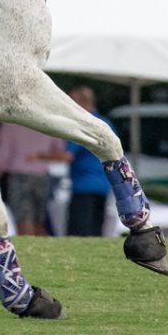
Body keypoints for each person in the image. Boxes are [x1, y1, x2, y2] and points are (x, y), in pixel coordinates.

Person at [0, 121, 65, 236]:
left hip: (19, 178)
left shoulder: (9, 124)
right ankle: (43, 250)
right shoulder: (47, 122)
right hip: (42, 177)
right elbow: (60, 152)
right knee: (39, 221)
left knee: (23, 220)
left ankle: (28, 249)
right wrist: (40, 156)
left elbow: (3, 156)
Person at [65, 86, 116, 236]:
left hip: (83, 185)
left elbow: (68, 154)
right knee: (96, 230)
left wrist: (40, 156)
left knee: (80, 230)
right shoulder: (105, 123)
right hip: (103, 184)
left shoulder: (82, 124)